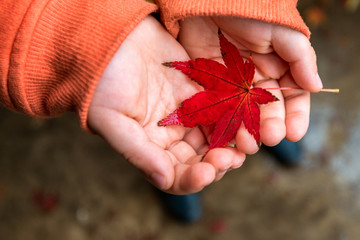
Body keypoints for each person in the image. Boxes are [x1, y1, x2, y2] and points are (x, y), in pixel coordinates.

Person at [1, 0, 322, 221]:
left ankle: (262, 128)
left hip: (212, 21)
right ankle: (188, 159)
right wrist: (87, 35)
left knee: (264, 92)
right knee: (155, 113)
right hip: (109, 16)